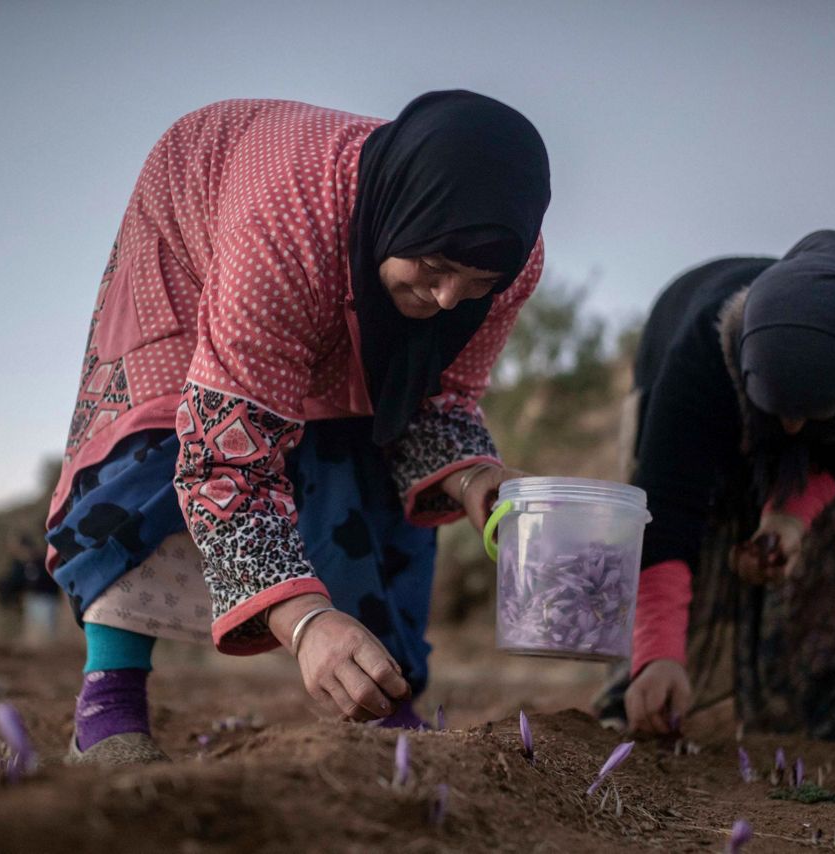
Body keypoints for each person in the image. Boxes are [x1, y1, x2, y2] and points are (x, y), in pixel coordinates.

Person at [45, 91, 550, 764]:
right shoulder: (280, 229)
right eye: (433, 269)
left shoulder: (511, 266)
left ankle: (377, 693)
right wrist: (305, 621)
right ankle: (110, 698)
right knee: (165, 440)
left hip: (315, 260)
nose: (450, 298)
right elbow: (224, 461)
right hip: (200, 235)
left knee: (359, 449)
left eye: (475, 280)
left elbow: (437, 397)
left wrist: (480, 481)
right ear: (399, 214)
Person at [594, 230, 835, 740]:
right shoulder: (699, 353)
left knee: (830, 525)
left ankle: (822, 700)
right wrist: (658, 651)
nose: (792, 429)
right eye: (778, 408)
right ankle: (638, 692)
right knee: (674, 538)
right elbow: (666, 507)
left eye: (813, 413)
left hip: (808, 411)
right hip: (683, 370)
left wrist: (789, 516)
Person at [0, 532, 61, 646]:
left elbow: (51, 581)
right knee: (35, 631)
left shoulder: (41, 562)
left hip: (46, 599)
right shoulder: (22, 564)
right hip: (33, 599)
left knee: (46, 631)